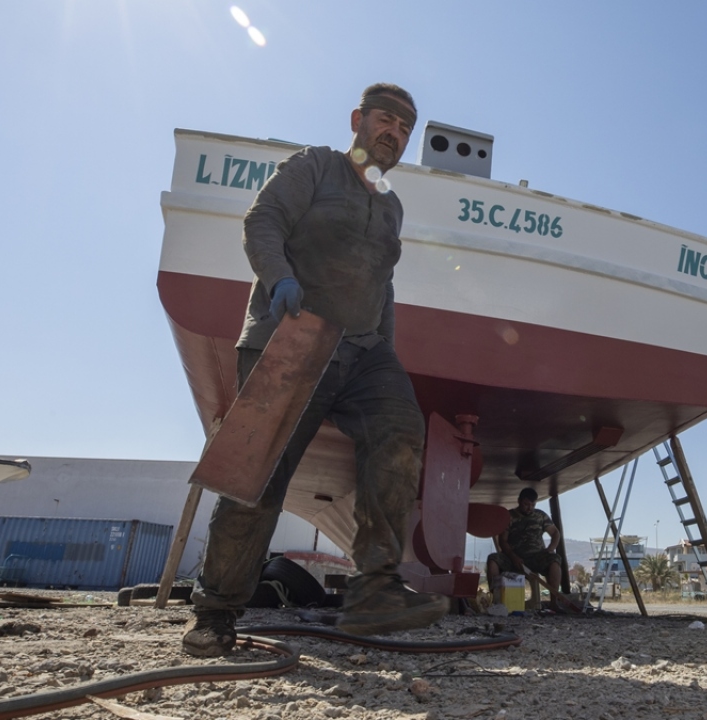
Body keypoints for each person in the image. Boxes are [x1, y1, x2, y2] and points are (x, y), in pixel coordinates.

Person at [182, 83, 448, 657]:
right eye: (385, 120)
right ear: (357, 119)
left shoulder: (391, 203)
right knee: (259, 478)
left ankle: (375, 587)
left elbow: (384, 282)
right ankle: (215, 613)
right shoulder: (315, 166)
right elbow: (263, 221)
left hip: (363, 348)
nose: (394, 133)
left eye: (405, 128)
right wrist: (278, 277)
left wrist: (387, 351)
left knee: (401, 428)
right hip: (295, 331)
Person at [486, 488, 563, 606]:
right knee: (493, 560)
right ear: (519, 501)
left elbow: (555, 533)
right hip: (513, 558)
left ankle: (554, 602)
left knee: (555, 560)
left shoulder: (540, 516)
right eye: (526, 504)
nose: (529, 508)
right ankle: (496, 601)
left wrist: (550, 549)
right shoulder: (509, 516)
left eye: (533, 504)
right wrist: (513, 557)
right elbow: (503, 541)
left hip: (536, 557)